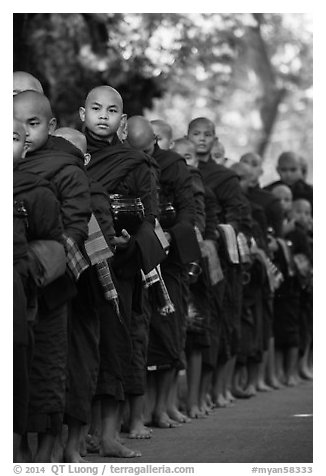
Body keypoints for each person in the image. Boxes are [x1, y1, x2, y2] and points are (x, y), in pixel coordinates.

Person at [80, 86, 165, 456]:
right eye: (96, 108)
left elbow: (149, 214)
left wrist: (129, 238)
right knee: (82, 349)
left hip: (119, 266)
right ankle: (83, 431)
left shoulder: (135, 162)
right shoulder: (66, 155)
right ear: (82, 114)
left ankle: (111, 434)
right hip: (81, 266)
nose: (103, 116)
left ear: (123, 121)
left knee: (114, 346)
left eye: (111, 110)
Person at [14, 91, 92, 462]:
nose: (25, 133)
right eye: (17, 125)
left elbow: (75, 228)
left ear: (51, 126)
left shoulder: (65, 167)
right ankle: (18, 450)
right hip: (13, 285)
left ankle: (46, 451)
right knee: (16, 370)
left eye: (33, 124)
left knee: (48, 366)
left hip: (49, 283)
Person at [127, 116, 199, 428]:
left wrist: (169, 236)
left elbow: (188, 210)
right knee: (140, 337)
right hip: (134, 255)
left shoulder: (172, 164)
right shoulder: (125, 160)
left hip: (169, 259)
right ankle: (138, 413)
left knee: (170, 333)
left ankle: (163, 407)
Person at [188, 117, 249, 408]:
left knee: (220, 324)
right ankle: (193, 396)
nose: (201, 139)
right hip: (187, 257)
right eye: (196, 134)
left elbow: (238, 218)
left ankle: (214, 390)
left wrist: (216, 235)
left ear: (214, 139)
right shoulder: (178, 169)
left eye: (207, 135)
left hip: (220, 262)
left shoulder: (225, 177)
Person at [13, 118, 64, 462]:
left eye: (13, 138)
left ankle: (16, 450)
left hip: (16, 292)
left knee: (16, 368)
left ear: (25, 147)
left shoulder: (35, 190)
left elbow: (55, 243)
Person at [240, 152, 284, 388]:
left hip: (262, 270)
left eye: (254, 164)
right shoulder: (234, 197)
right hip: (241, 269)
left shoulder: (267, 202)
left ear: (260, 170)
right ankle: (238, 380)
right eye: (245, 163)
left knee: (261, 322)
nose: (249, 168)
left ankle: (258, 379)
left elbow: (276, 238)